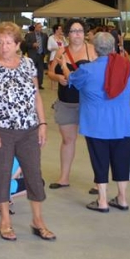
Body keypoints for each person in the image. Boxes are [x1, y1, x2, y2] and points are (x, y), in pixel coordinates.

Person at [0, 22, 54, 242]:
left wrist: (43, 124)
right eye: (0, 42)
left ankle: (37, 220)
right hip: (0, 129)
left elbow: (36, 96)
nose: (3, 47)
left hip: (28, 129)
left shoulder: (28, 64)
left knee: (34, 174)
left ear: (18, 44)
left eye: (8, 42)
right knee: (0, 174)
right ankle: (5, 220)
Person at [65, 32, 130, 213]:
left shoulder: (87, 70)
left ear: (94, 49)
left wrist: (63, 65)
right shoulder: (126, 68)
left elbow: (71, 80)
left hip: (96, 125)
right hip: (122, 123)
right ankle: (122, 198)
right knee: (121, 160)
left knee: (100, 161)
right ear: (113, 47)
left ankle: (102, 201)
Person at [46, 19, 97, 190]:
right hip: (66, 102)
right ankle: (64, 178)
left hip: (88, 103)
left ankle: (99, 182)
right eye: (74, 31)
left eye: (80, 31)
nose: (77, 34)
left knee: (95, 142)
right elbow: (51, 72)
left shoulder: (92, 51)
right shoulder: (62, 51)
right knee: (68, 140)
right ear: (68, 34)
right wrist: (58, 77)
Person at [24, 23, 48, 89]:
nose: (40, 28)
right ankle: (30, 83)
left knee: (40, 70)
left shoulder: (44, 35)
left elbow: (46, 44)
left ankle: (39, 84)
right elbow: (25, 44)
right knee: (31, 69)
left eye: (41, 27)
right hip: (32, 54)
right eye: (39, 27)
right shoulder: (29, 35)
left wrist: (45, 52)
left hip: (41, 55)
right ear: (35, 28)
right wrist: (32, 45)